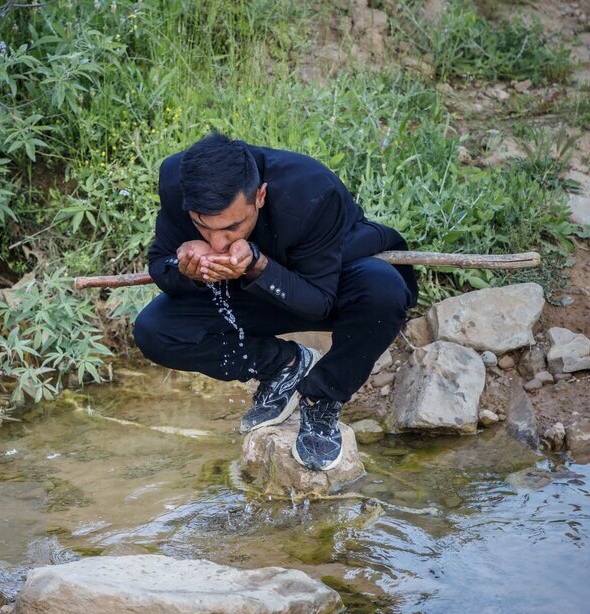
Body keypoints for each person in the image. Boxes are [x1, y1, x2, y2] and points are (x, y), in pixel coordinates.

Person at [133, 133, 418, 471]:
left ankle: (321, 396)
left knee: (384, 289)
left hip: (323, 281)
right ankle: (284, 366)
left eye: (231, 227)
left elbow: (319, 303)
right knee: (154, 331)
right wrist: (186, 268)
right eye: (202, 227)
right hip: (247, 291)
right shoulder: (177, 178)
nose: (218, 243)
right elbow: (160, 265)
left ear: (260, 195)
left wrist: (258, 265)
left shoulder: (310, 189)